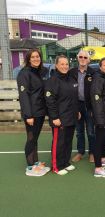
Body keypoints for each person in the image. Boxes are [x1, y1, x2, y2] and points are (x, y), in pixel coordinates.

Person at [17, 48, 50, 176]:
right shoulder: (24, 73)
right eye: (33, 57)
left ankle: (35, 162)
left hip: (40, 112)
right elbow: (24, 96)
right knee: (31, 139)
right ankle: (30, 167)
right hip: (31, 114)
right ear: (28, 59)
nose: (36, 59)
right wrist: (28, 115)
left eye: (38, 56)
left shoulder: (39, 72)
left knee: (35, 138)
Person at [45, 55, 80, 175]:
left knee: (68, 141)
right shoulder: (52, 81)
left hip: (71, 117)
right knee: (59, 143)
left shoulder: (71, 78)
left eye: (66, 64)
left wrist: (77, 111)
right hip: (59, 119)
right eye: (62, 64)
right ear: (56, 65)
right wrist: (55, 117)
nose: (65, 66)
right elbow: (50, 101)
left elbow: (74, 98)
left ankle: (65, 162)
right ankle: (57, 166)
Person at [90, 57, 105, 178]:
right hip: (102, 117)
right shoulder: (98, 79)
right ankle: (98, 168)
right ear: (100, 67)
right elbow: (97, 101)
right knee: (99, 141)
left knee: (104, 139)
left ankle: (103, 159)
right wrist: (99, 119)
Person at [70, 50, 96, 163]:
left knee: (91, 131)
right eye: (80, 57)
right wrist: (74, 108)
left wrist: (94, 108)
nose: (83, 59)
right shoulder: (71, 72)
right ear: (77, 58)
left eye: (85, 57)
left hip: (89, 105)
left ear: (89, 60)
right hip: (76, 105)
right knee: (79, 131)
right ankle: (80, 152)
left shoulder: (93, 73)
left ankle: (92, 153)